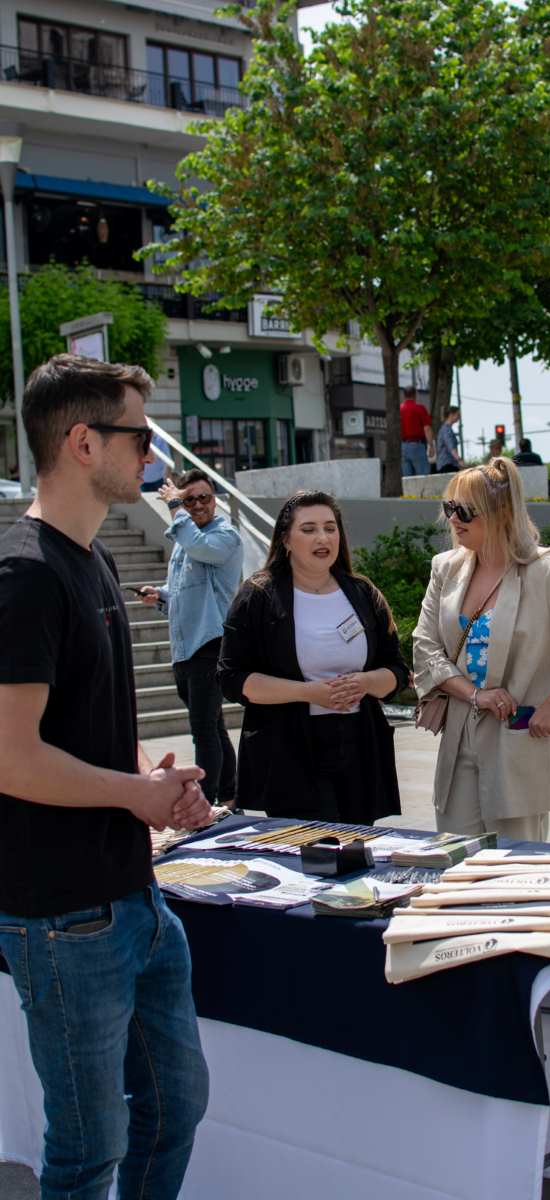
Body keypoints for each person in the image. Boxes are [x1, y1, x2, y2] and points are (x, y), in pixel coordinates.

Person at [0, 353, 211, 1200]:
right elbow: (12, 755)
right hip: (62, 917)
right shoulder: (24, 573)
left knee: (174, 1107)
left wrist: (147, 773)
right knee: (88, 1150)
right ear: (84, 443)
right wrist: (137, 796)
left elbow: (73, 733)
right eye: (141, 435)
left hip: (132, 895)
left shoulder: (90, 560)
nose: (153, 455)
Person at [413, 456, 550, 840]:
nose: (454, 519)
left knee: (516, 866)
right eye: (449, 508)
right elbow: (424, 645)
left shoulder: (547, 570)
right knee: (456, 858)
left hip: (518, 737)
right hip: (459, 736)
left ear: (501, 512)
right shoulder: (445, 567)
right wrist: (475, 694)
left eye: (465, 510)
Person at [218, 490, 408, 822]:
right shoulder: (259, 596)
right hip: (289, 750)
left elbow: (397, 671)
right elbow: (232, 678)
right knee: (312, 856)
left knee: (355, 850)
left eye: (330, 528)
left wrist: (365, 682)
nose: (323, 538)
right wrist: (307, 693)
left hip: (357, 746)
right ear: (286, 539)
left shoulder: (363, 593)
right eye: (308, 529)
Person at [140, 468, 243, 807]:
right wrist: (161, 594)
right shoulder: (185, 543)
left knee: (202, 729)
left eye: (204, 498)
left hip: (210, 644)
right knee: (212, 725)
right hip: (185, 648)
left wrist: (175, 507)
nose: (198, 504)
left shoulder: (224, 536)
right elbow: (183, 587)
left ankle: (206, 802)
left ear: (215, 500)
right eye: (190, 499)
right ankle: (230, 794)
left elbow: (202, 551)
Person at [400, 386, 434, 478]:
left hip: (403, 446)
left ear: (404, 395)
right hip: (417, 445)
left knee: (407, 479)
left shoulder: (399, 409)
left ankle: (409, 493)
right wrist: (431, 445)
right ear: (415, 395)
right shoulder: (420, 408)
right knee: (423, 477)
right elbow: (427, 428)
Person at [436, 405, 464, 473]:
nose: (459, 417)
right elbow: (451, 447)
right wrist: (459, 459)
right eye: (458, 414)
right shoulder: (447, 430)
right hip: (447, 465)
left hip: (448, 464)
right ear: (451, 415)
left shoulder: (445, 429)